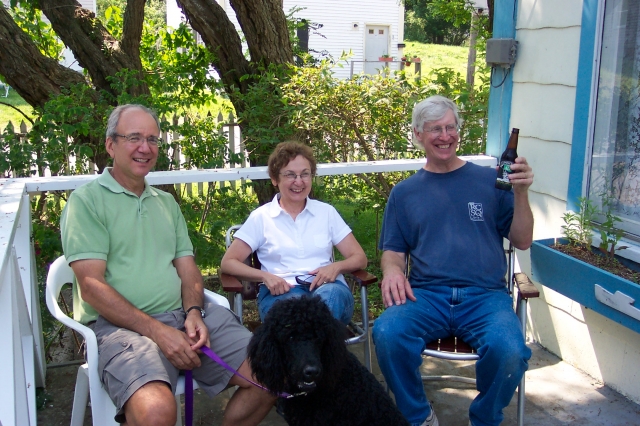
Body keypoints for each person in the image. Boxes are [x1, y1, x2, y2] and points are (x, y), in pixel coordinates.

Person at [60, 104, 277, 426]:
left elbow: (188, 269)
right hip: (121, 328)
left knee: (273, 372)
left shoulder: (165, 203)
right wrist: (158, 333)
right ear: (110, 145)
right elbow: (91, 287)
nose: (145, 148)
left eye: (152, 139)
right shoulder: (87, 202)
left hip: (186, 319)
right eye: (134, 138)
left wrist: (194, 312)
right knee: (157, 412)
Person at [372, 95, 535, 426]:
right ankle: (418, 416)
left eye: (450, 127)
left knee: (510, 352)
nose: (445, 136)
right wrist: (391, 272)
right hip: (426, 295)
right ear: (418, 135)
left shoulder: (490, 181)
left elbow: (522, 240)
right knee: (388, 332)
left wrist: (521, 193)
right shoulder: (404, 193)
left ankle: (485, 419)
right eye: (435, 129)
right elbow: (393, 250)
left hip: (485, 296)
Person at [220, 141, 367, 325]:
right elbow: (228, 263)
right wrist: (265, 276)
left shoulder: (326, 213)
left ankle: (311, 350)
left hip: (328, 289)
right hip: (282, 292)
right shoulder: (262, 217)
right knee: (292, 313)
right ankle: (322, 352)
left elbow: (359, 257)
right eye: (290, 175)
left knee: (328, 301)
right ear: (275, 179)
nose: (299, 182)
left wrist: (336, 267)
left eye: (305, 174)